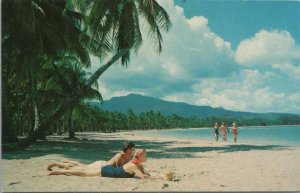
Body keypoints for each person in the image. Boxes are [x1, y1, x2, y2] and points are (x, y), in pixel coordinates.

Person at [48, 149, 151, 179]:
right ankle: (60, 171)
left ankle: (64, 168)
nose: (147, 156)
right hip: (107, 170)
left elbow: (144, 172)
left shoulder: (137, 165)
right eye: (145, 155)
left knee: (84, 170)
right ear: (141, 157)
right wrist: (154, 178)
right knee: (83, 172)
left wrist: (153, 175)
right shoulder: (133, 165)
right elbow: (143, 177)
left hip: (110, 168)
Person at [47, 142, 136, 171]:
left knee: (80, 165)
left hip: (103, 165)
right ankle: (55, 163)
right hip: (100, 166)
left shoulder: (128, 157)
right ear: (128, 150)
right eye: (133, 149)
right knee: (79, 167)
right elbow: (117, 170)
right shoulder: (119, 155)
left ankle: (66, 161)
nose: (134, 151)